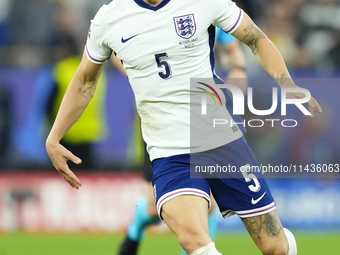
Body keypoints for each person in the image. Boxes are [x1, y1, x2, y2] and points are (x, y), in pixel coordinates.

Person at [46, 0, 322, 254]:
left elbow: (255, 38)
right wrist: (54, 138)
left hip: (219, 138)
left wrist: (287, 83)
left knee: (276, 248)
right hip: (168, 150)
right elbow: (84, 80)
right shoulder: (109, 19)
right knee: (192, 239)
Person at [117, 27, 248, 255]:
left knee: (208, 202)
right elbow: (112, 48)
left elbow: (232, 50)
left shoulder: (208, 8)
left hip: (202, 113)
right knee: (153, 207)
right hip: (159, 116)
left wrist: (238, 69)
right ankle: (135, 231)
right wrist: (137, 75)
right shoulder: (151, 11)